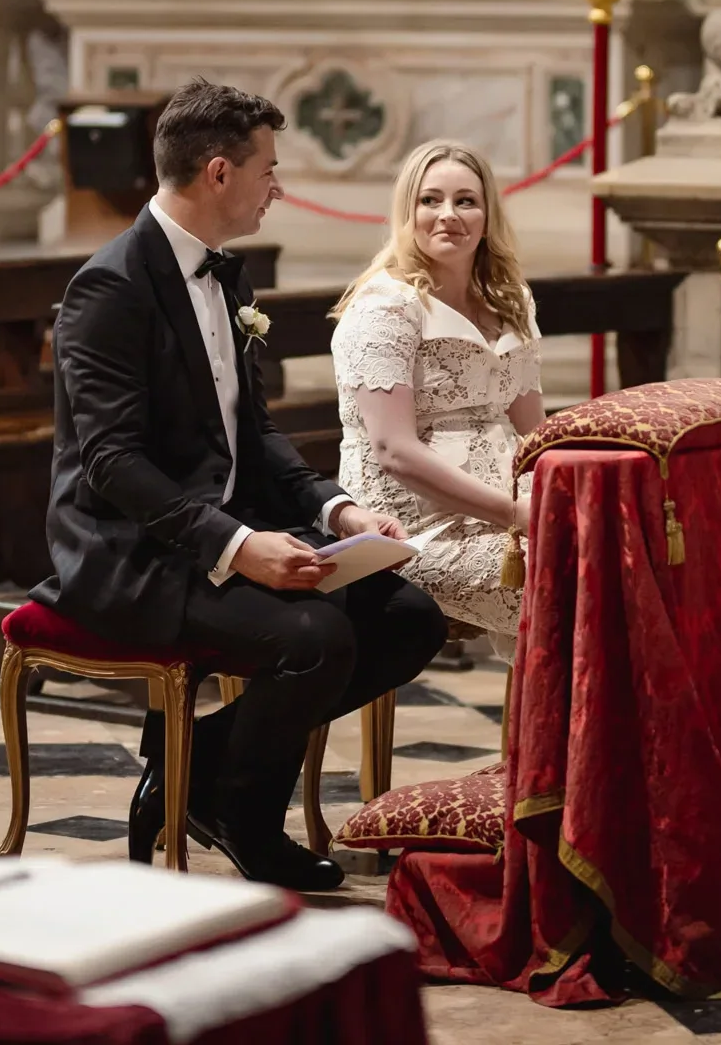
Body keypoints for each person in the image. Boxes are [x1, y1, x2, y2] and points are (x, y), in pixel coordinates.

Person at [35, 80, 448, 891]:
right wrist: (236, 545)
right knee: (315, 638)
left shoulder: (227, 278)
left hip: (225, 527)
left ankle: (194, 774)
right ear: (218, 172)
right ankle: (246, 817)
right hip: (132, 550)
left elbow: (251, 433)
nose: (277, 188)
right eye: (269, 170)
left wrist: (335, 508)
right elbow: (112, 463)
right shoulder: (110, 287)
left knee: (409, 618)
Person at [331, 140, 545, 659]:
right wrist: (515, 514)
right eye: (430, 200)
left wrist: (567, 495)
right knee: (566, 581)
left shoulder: (510, 300)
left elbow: (535, 434)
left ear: (488, 215)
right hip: (414, 529)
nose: (448, 214)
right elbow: (395, 452)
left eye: (466, 201)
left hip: (509, 508)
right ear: (408, 212)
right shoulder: (386, 306)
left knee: (622, 551)